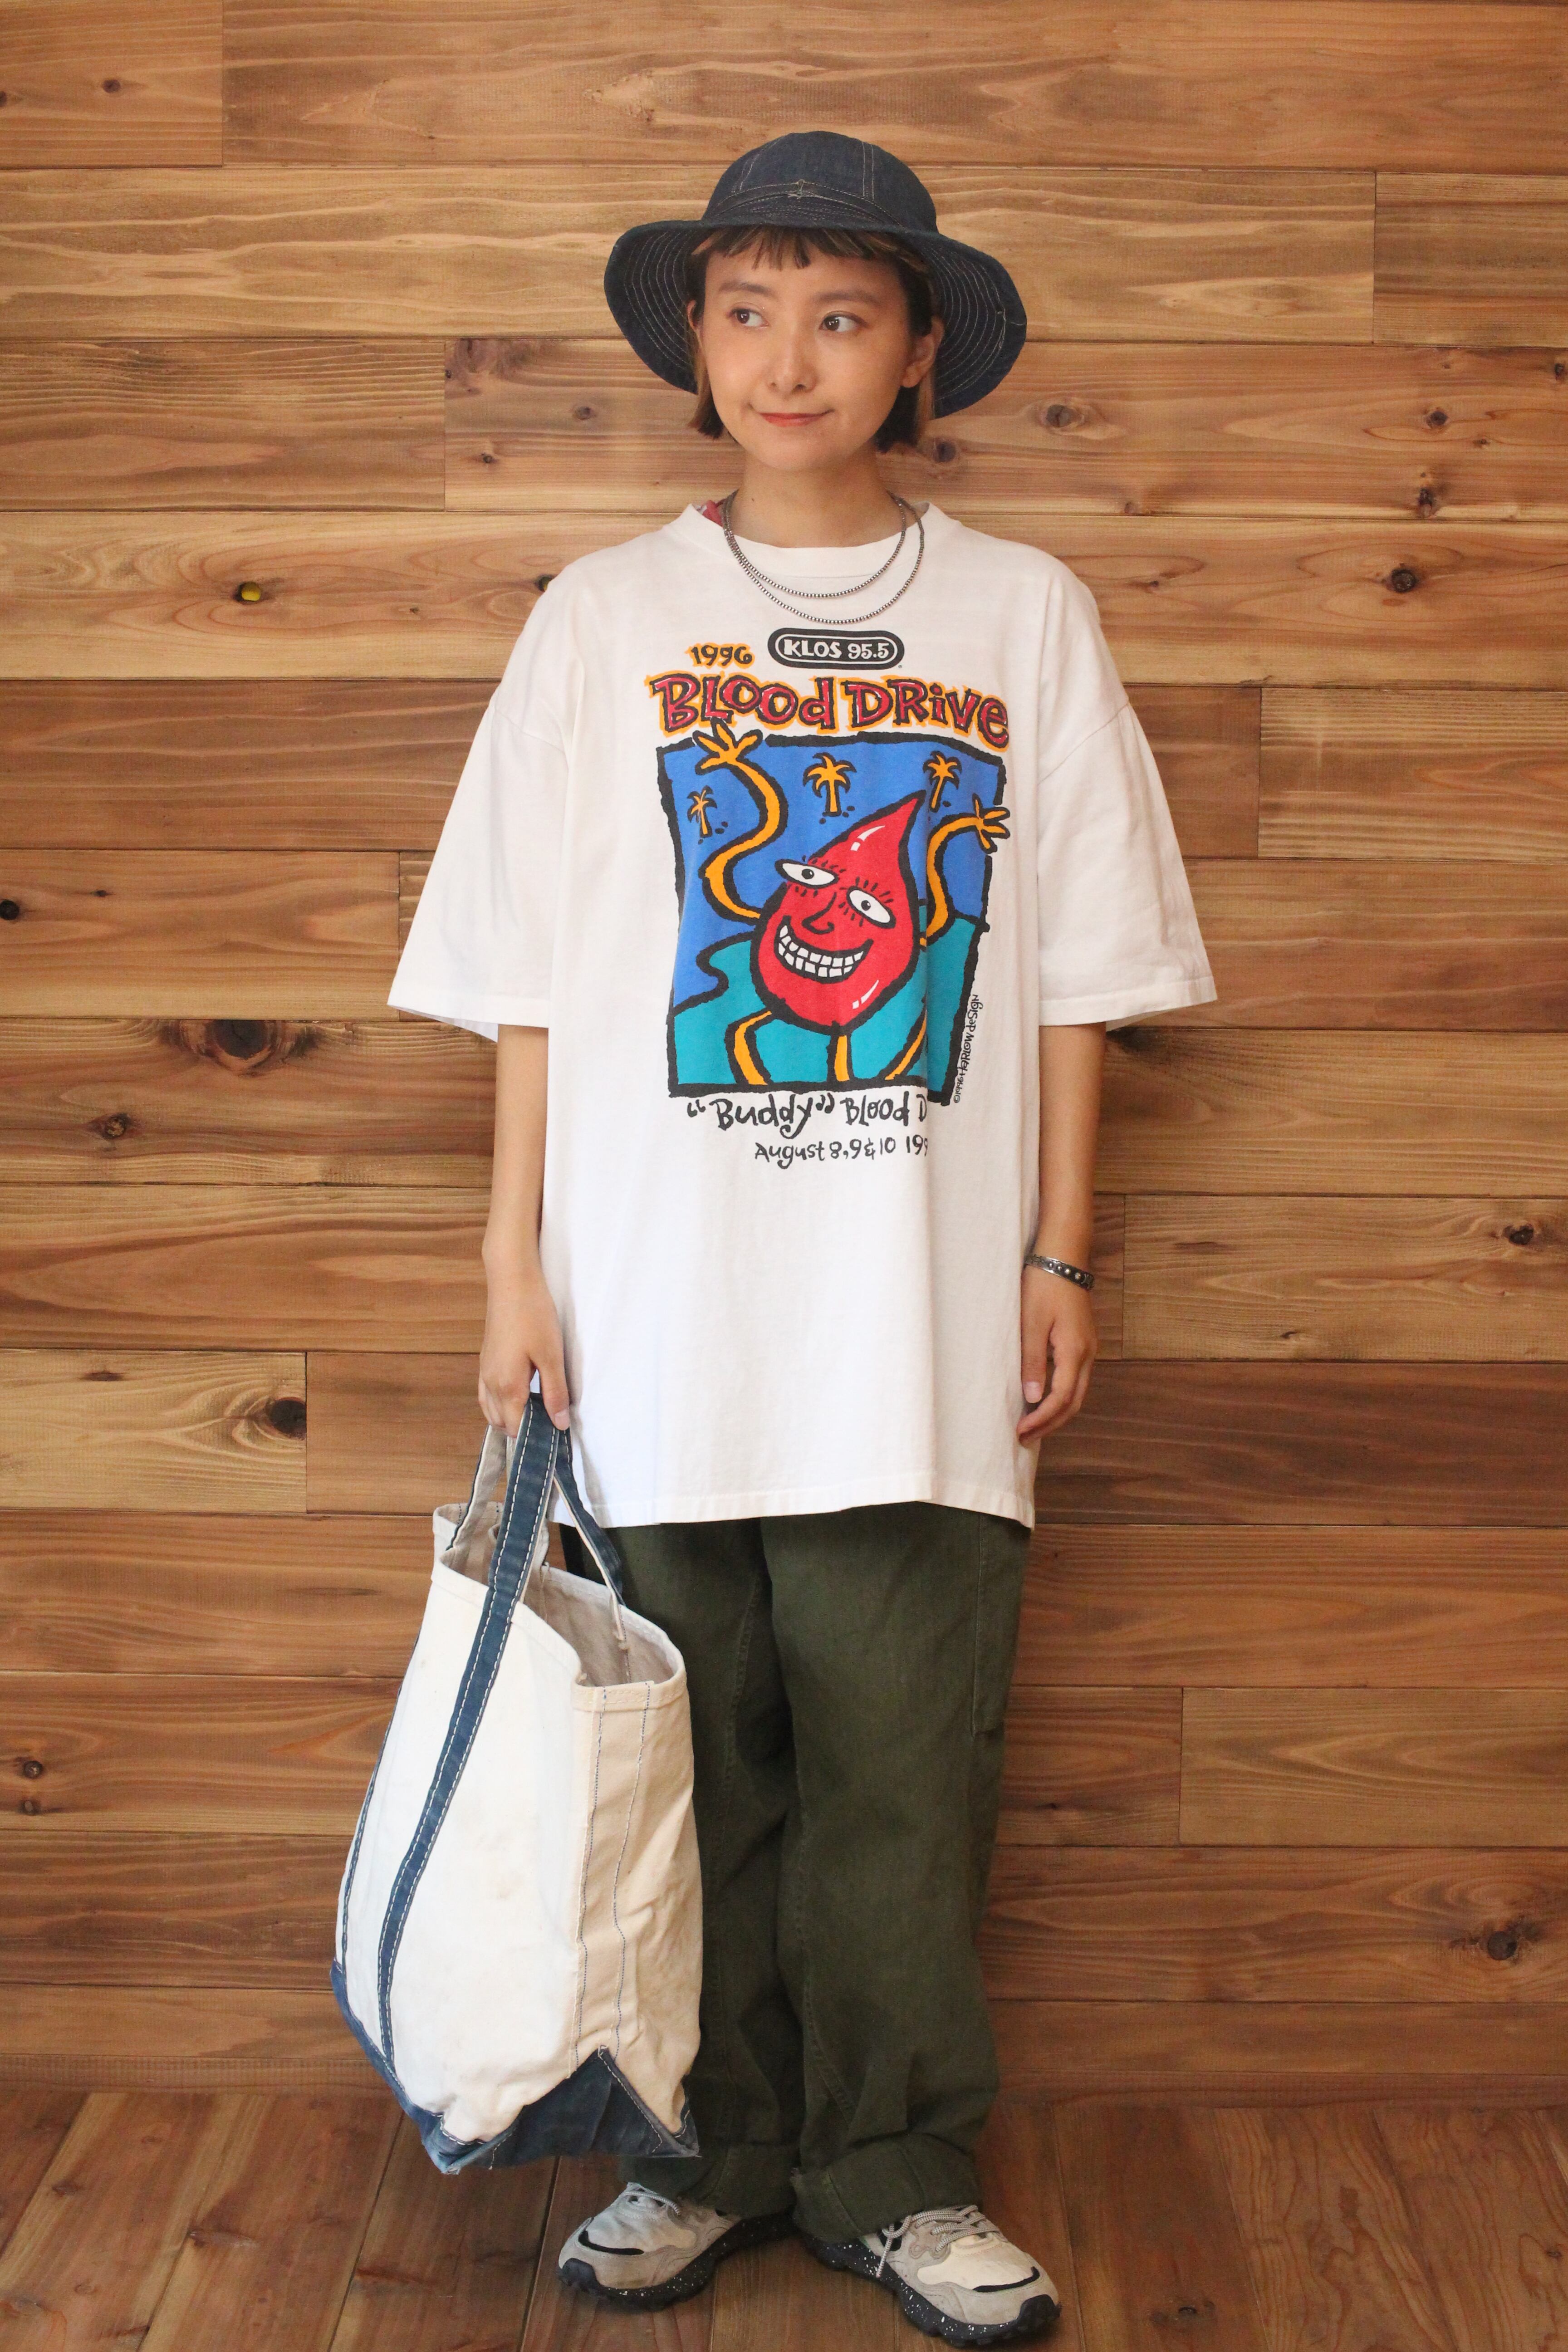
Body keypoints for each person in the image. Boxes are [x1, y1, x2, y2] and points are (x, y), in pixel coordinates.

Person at [389, 130, 1215, 2348]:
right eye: (746, 310)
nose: (789, 357)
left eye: (841, 315)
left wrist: (1061, 1258)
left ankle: (895, 2171)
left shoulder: (1023, 615)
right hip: (654, 1311)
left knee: (901, 1771)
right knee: (690, 1769)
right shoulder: (602, 619)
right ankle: (706, 2158)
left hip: (921, 1322)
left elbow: (1079, 973)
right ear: (694, 338)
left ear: (919, 347)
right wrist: (511, 1268)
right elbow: (531, 977)